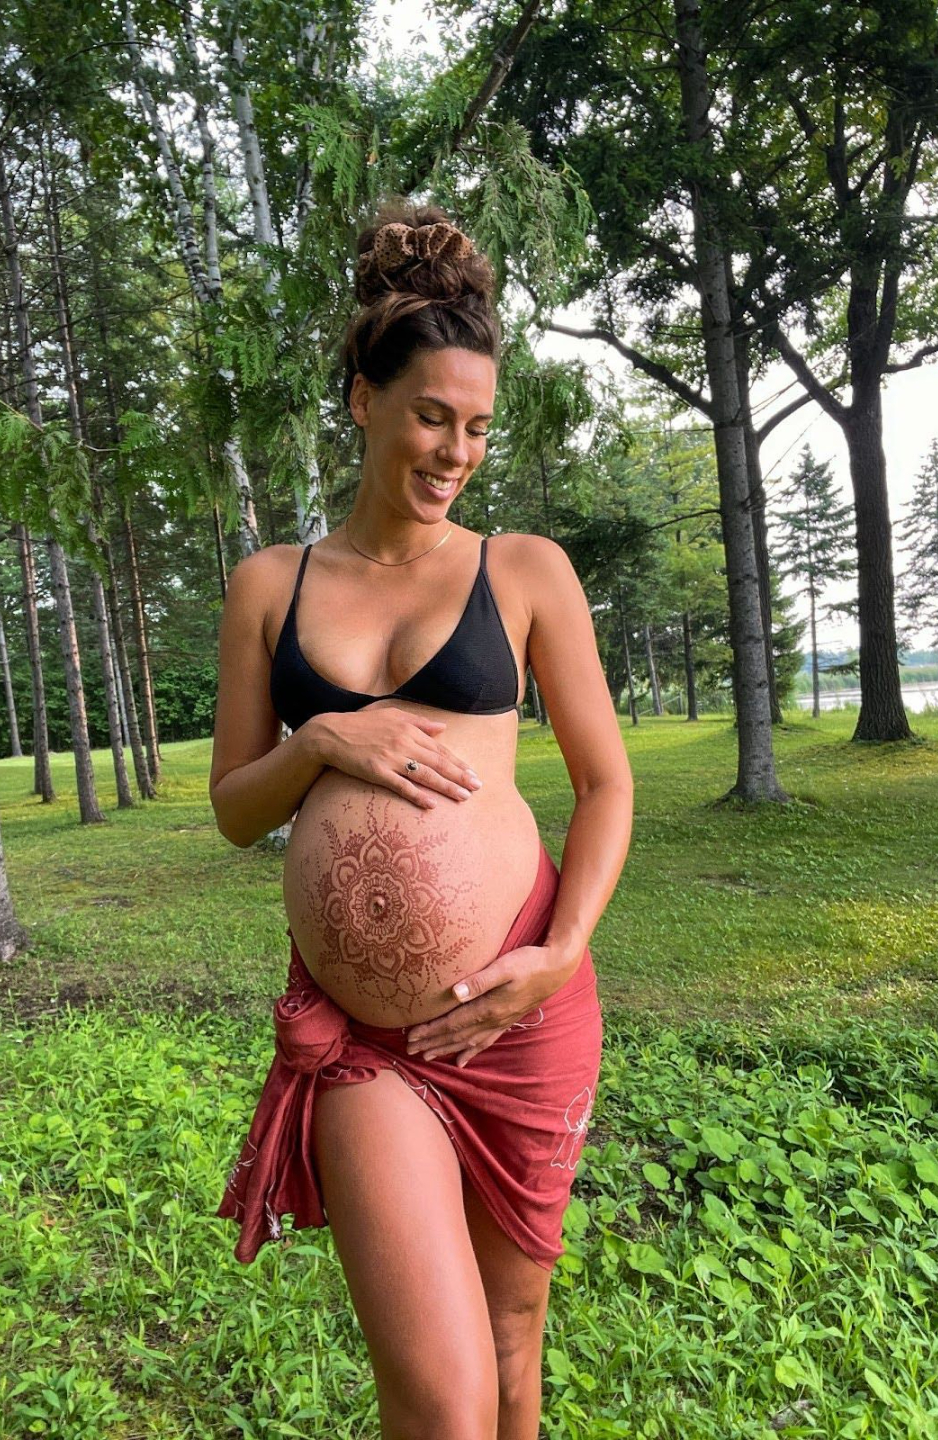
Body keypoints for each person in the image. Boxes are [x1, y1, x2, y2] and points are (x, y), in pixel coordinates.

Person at [209, 199, 633, 1440]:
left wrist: (557, 953)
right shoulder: (269, 587)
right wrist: (322, 742)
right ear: (363, 400)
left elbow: (606, 786)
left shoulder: (524, 571)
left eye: (479, 428)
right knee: (442, 1401)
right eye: (434, 417)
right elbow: (234, 808)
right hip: (363, 1042)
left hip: (520, 1011)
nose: (457, 453)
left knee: (511, 1344)